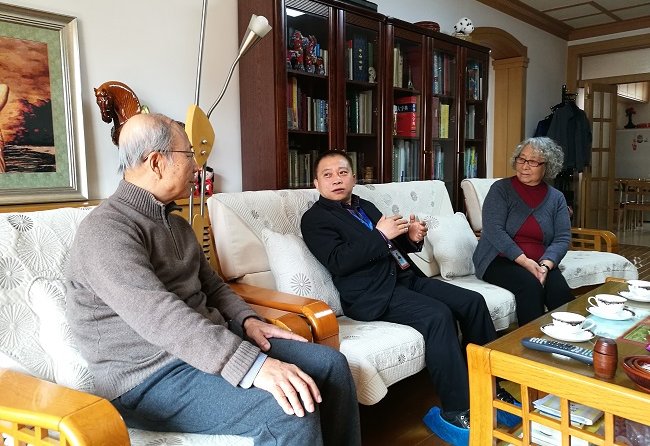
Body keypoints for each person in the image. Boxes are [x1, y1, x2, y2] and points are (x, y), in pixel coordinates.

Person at [65, 113, 361, 446]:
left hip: (206, 347)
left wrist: (248, 320)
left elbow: (214, 285)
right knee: (289, 408)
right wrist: (253, 366)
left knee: (332, 366)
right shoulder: (106, 231)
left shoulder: (176, 223)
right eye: (188, 155)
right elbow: (160, 316)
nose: (197, 166)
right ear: (156, 162)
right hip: (148, 376)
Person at [300, 149, 515, 443]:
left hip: (405, 278)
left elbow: (392, 245)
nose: (336, 179)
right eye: (327, 175)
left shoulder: (366, 206)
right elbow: (338, 260)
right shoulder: (315, 219)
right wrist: (380, 235)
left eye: (342, 172)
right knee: (438, 316)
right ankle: (456, 409)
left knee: (473, 302)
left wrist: (412, 238)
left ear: (353, 178)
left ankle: (491, 388)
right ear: (316, 183)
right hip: (372, 295)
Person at [473, 137, 575, 326]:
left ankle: (567, 340)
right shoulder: (500, 190)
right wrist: (525, 262)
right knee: (530, 287)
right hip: (498, 260)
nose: (525, 166)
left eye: (533, 162)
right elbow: (494, 230)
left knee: (560, 292)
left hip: (540, 261)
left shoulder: (556, 198)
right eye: (521, 159)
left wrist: (545, 265)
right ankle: (531, 341)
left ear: (547, 166)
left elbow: (562, 238)